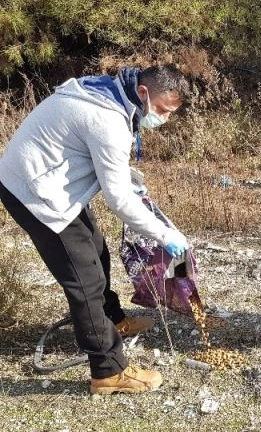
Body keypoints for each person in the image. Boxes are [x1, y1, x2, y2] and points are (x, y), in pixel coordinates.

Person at [0, 64, 191, 393]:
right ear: (144, 93)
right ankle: (108, 371)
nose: (164, 119)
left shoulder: (108, 92)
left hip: (52, 183)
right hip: (34, 193)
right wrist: (166, 235)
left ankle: (113, 320)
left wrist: (133, 182)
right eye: (162, 110)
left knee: (96, 249)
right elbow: (118, 200)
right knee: (84, 280)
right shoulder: (108, 121)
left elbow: (98, 159)